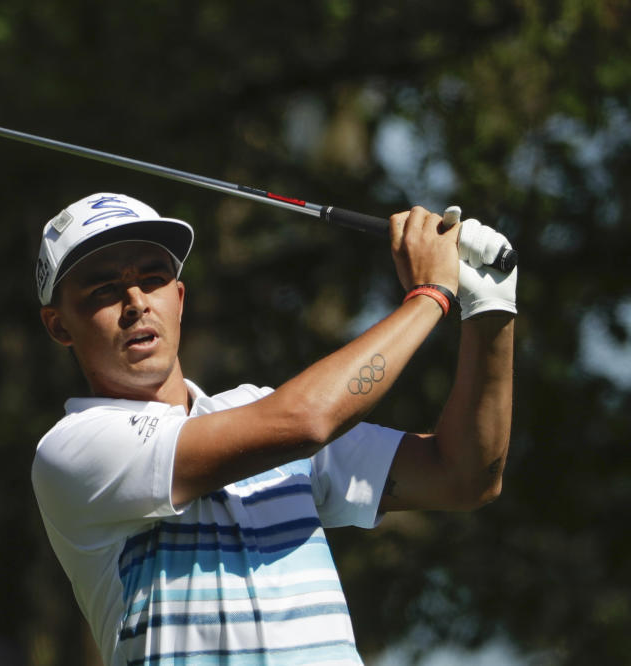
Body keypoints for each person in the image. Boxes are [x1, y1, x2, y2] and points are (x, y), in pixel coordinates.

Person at [31, 192, 516, 665]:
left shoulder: (256, 407)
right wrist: (430, 294)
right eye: (103, 290)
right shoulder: (74, 449)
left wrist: (490, 312)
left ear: (179, 298)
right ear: (58, 326)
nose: (136, 302)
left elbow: (464, 475)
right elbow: (307, 421)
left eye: (153, 279)